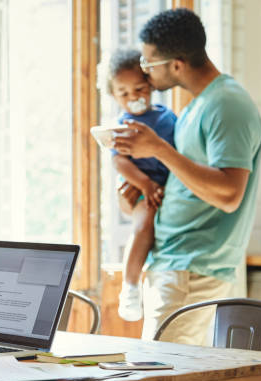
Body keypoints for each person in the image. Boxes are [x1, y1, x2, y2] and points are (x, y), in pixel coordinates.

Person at [113, 8, 261, 345]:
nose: (146, 75)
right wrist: (135, 199)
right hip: (174, 263)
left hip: (191, 267)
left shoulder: (228, 105)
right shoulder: (198, 106)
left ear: (176, 64)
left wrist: (158, 149)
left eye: (150, 65)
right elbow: (189, 185)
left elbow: (228, 195)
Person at [106, 49, 177, 322]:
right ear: (114, 96)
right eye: (123, 93)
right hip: (140, 188)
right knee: (143, 225)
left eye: (139, 89)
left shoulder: (167, 118)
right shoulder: (123, 125)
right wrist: (145, 184)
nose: (133, 97)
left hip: (165, 186)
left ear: (151, 85)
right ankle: (130, 287)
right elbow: (119, 163)